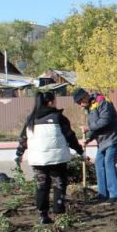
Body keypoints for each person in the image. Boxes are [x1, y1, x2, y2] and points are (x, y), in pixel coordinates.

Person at [15, 91, 85, 224]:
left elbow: (23, 138)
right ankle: (59, 213)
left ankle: (43, 215)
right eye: (55, 100)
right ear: (50, 102)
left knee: (42, 185)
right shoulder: (58, 117)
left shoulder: (31, 119)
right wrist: (80, 151)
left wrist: (19, 153)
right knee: (59, 183)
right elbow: (70, 136)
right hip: (57, 159)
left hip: (38, 160)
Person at [73, 87, 117, 203]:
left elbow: (105, 120)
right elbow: (95, 126)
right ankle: (103, 194)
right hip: (102, 140)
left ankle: (116, 194)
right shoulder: (89, 107)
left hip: (113, 137)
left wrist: (88, 128)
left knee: (108, 162)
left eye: (80, 102)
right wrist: (88, 139)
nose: (80, 105)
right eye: (78, 103)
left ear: (85, 97)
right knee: (99, 163)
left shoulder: (101, 101)